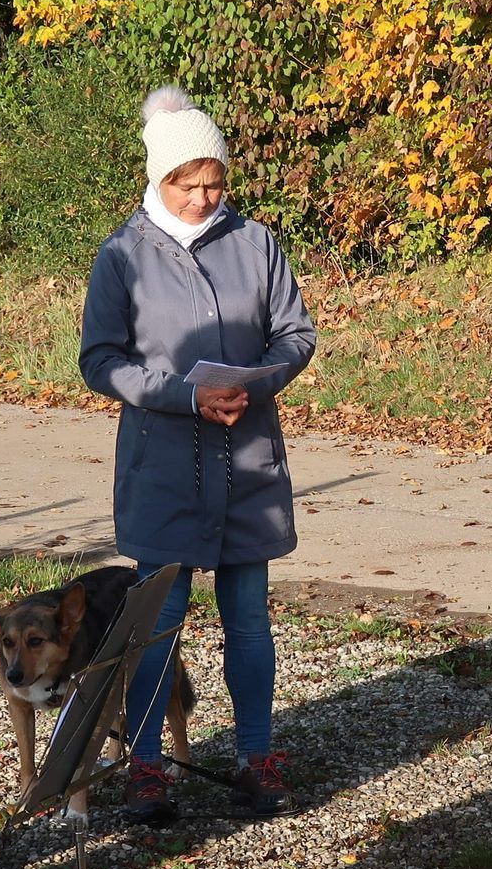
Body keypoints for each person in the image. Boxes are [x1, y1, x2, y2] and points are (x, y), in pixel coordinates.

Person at [79, 86, 316, 823]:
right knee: (158, 622)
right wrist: (183, 395)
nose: (205, 197)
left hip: (248, 462)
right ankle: (147, 765)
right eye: (190, 184)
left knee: (249, 619)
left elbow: (295, 334)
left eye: (216, 183)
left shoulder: (256, 243)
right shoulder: (121, 255)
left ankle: (256, 754)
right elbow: (99, 360)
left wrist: (261, 379)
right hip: (164, 465)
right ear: (159, 177)